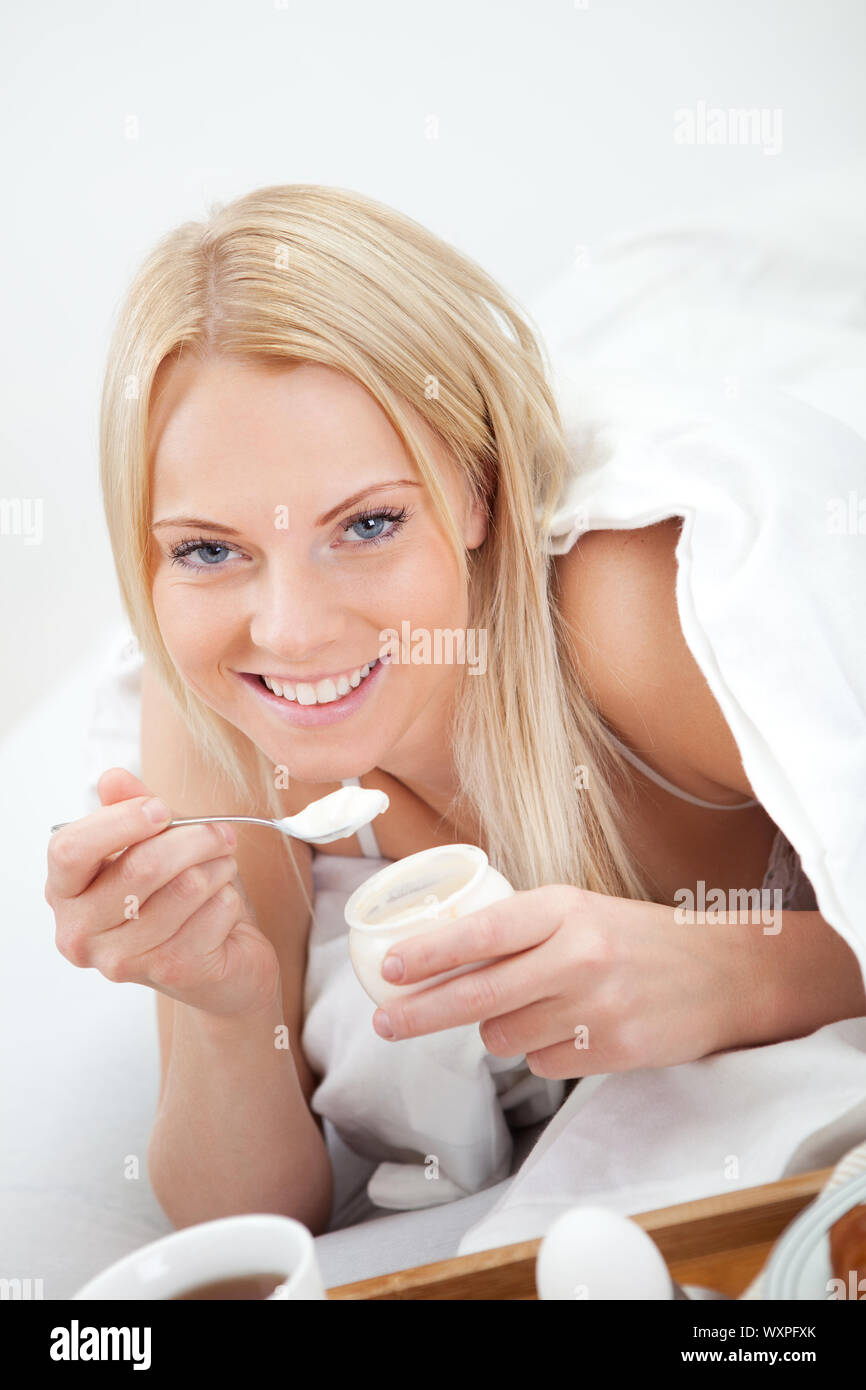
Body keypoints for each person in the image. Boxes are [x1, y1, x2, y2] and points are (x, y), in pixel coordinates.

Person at [43, 184, 865, 1239]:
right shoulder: (211, 712)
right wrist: (224, 1005)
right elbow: (244, 1217)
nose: (288, 633)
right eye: (208, 548)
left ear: (476, 489)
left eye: (368, 523)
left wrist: (733, 972)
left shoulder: (646, 611)